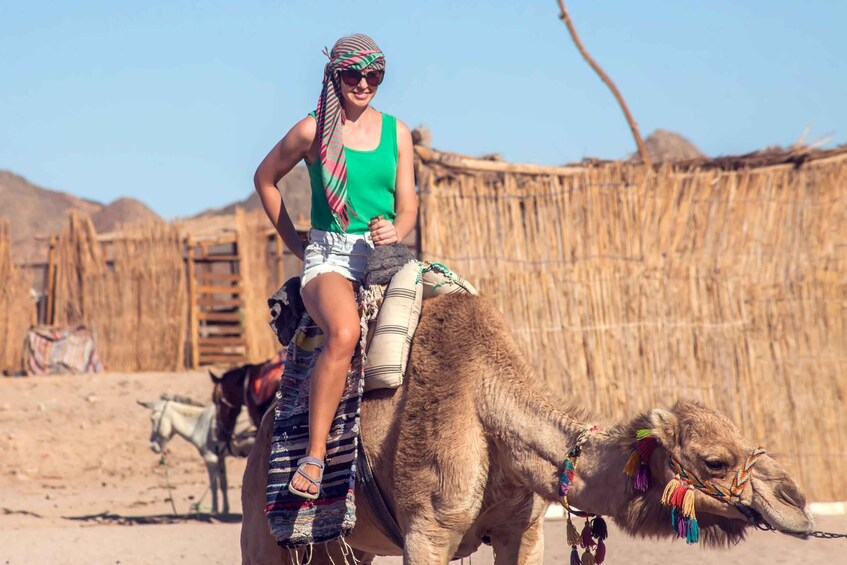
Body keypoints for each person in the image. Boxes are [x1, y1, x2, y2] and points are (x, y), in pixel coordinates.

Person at [253, 34, 417, 499]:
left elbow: (408, 206)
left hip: (383, 257)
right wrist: (294, 242)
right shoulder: (311, 130)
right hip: (329, 256)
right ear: (335, 75)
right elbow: (265, 180)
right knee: (343, 334)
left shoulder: (397, 133)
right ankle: (316, 455)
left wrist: (398, 230)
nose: (363, 84)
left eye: (374, 76)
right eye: (353, 75)